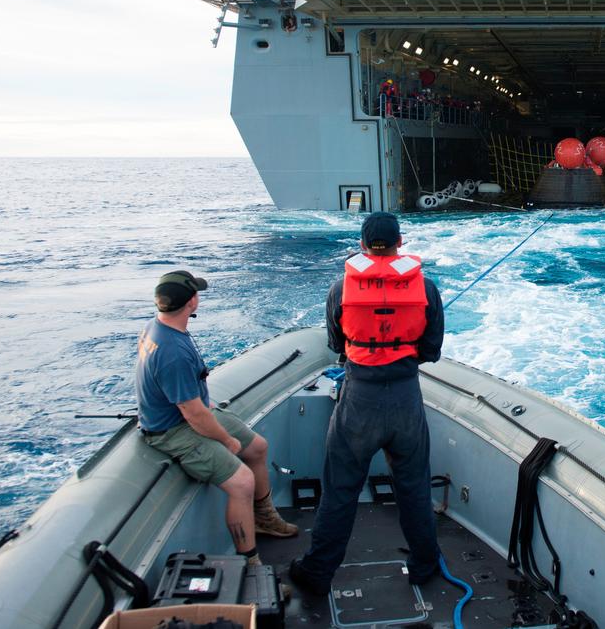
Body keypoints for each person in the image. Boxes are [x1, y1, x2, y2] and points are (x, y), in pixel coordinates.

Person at [290, 212, 444, 596]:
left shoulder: (340, 288)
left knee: (340, 489)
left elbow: (335, 344)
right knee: (413, 487)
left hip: (359, 399)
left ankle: (318, 571)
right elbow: (431, 350)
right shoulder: (426, 288)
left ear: (362, 245)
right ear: (400, 242)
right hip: (407, 397)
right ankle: (424, 566)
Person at [135, 270, 299, 565]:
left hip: (188, 414)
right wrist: (226, 441)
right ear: (191, 303)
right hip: (172, 429)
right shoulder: (173, 352)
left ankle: (264, 518)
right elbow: (193, 413)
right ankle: (250, 563)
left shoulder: (156, 327)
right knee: (242, 483)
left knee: (257, 447)